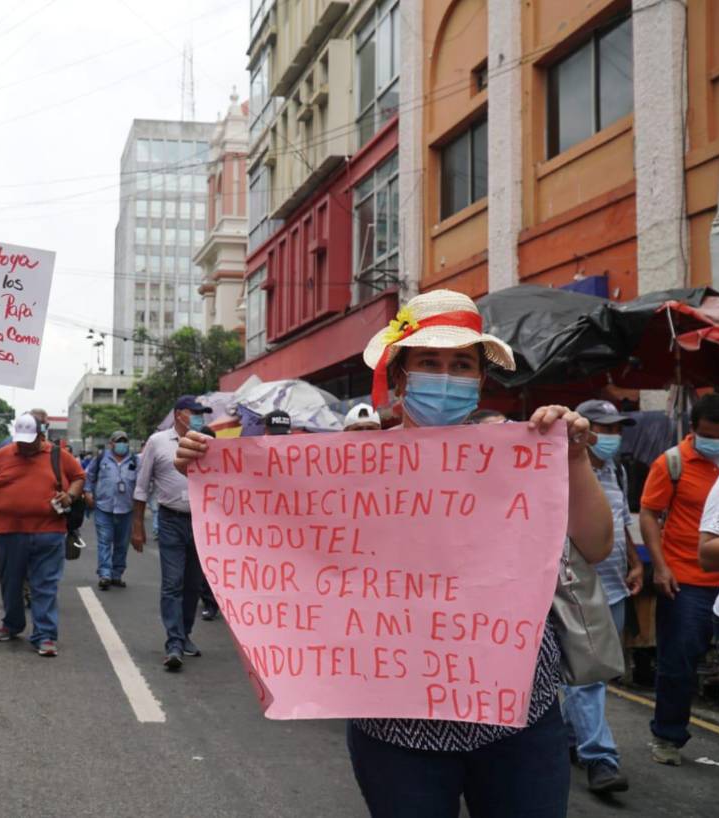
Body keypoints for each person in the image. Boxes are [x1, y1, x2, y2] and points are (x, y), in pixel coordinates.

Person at [173, 290, 613, 817]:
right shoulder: (351, 466)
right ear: (401, 377)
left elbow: (596, 544)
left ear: (479, 378)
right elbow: (278, 533)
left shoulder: (526, 451)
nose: (446, 375)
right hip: (397, 731)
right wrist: (214, 470)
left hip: (518, 715)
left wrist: (573, 457)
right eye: (430, 362)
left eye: (461, 364)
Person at [561, 400, 642, 793]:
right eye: (603, 428)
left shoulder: (615, 470)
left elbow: (621, 520)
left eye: (616, 429)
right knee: (588, 679)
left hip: (614, 589)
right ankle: (601, 759)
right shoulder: (560, 469)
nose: (610, 437)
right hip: (577, 592)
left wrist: (634, 563)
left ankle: (569, 739)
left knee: (595, 674)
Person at [638, 392, 719, 765]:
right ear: (693, 430)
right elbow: (649, 514)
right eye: (709, 435)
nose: (715, 443)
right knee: (679, 661)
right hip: (686, 580)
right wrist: (660, 565)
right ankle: (668, 737)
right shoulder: (672, 463)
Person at [0, 413, 84, 657]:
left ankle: (45, 635)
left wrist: (70, 496)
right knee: (10, 583)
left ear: (41, 435)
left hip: (49, 531)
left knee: (45, 584)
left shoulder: (58, 455)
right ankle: (12, 624)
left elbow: (78, 477)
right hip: (8, 532)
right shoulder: (1, 457)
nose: (24, 445)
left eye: (29, 440)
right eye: (20, 440)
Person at [133, 395, 214, 672]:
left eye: (202, 413)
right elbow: (142, 486)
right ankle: (174, 643)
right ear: (180, 414)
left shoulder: (208, 444)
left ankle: (185, 634)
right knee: (172, 583)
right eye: (196, 412)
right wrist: (137, 527)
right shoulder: (157, 442)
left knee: (193, 583)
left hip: (201, 523)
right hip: (170, 520)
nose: (200, 416)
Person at [84, 430, 139, 591]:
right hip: (103, 507)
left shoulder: (135, 460)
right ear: (111, 444)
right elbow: (90, 475)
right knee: (104, 541)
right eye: (118, 441)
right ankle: (105, 574)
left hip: (126, 509)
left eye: (124, 441)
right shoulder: (101, 458)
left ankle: (117, 574)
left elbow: (142, 482)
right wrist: (87, 492)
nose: (122, 444)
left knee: (122, 544)